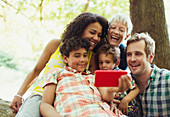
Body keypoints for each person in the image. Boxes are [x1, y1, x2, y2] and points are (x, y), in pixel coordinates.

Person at [9, 12, 108, 117]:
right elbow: (36, 71)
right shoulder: (56, 45)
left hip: (70, 103)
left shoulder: (91, 57)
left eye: (99, 35)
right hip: (41, 96)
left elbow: (93, 86)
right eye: (92, 32)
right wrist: (19, 95)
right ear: (80, 29)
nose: (96, 38)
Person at [40, 37, 132, 116]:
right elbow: (45, 104)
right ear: (65, 58)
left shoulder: (93, 76)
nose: (82, 60)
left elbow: (106, 96)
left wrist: (113, 89)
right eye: (77, 56)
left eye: (85, 55)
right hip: (80, 113)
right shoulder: (57, 73)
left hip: (105, 112)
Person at [126, 32, 170, 117]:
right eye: (129, 54)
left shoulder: (167, 80)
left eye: (138, 54)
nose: (132, 59)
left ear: (150, 57)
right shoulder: (124, 85)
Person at [96, 44, 140, 116]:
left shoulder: (121, 74)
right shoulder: (101, 77)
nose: (103, 65)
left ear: (116, 63)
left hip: (131, 109)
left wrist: (125, 100)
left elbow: (136, 88)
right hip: (114, 110)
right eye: (101, 62)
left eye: (107, 62)